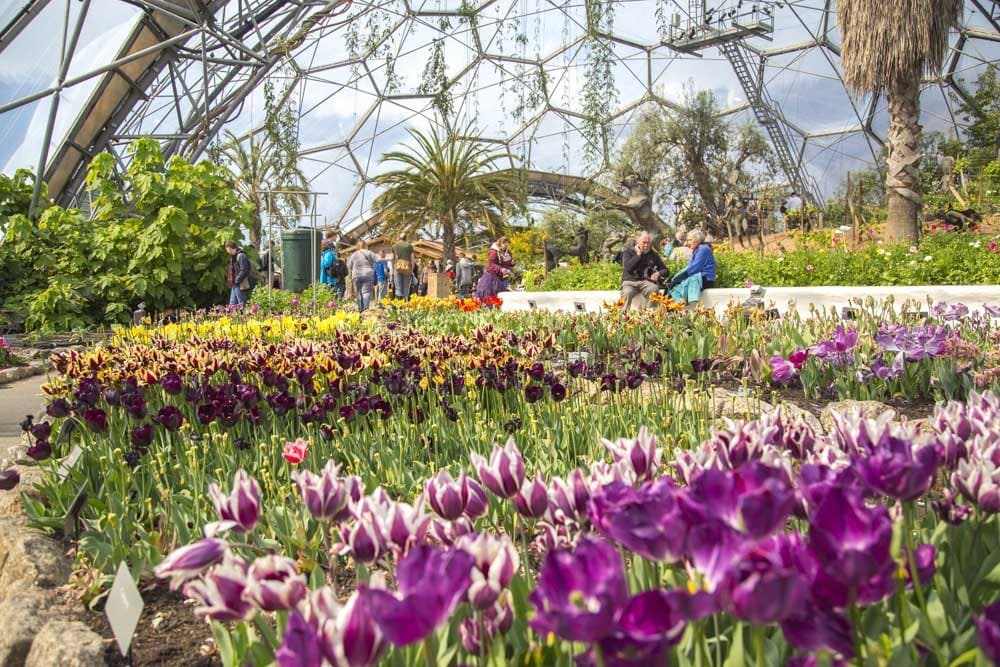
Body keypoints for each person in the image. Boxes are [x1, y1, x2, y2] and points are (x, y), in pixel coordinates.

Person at [666, 228, 717, 303]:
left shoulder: (704, 249)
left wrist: (677, 278)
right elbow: (690, 268)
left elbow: (694, 269)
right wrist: (675, 277)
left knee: (677, 287)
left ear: (697, 240)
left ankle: (676, 308)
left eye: (690, 240)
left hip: (706, 279)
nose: (687, 242)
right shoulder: (698, 250)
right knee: (673, 286)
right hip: (701, 278)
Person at [620, 231, 667, 310]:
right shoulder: (628, 252)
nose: (646, 245)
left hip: (646, 283)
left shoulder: (653, 254)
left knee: (654, 289)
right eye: (644, 242)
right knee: (627, 293)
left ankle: (649, 315)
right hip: (630, 282)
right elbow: (628, 268)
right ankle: (623, 317)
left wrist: (658, 273)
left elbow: (665, 270)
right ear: (638, 242)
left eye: (648, 243)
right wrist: (638, 255)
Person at [475, 236, 514, 300]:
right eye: (505, 245)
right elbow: (491, 264)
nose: (506, 247)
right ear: (500, 243)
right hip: (491, 277)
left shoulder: (508, 253)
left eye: (507, 245)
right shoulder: (493, 252)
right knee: (489, 294)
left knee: (502, 295)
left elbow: (507, 263)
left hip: (503, 277)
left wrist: (511, 265)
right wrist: (501, 269)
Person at [347, 240, 378, 312]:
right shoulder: (368, 253)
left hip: (356, 275)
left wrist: (350, 277)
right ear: (365, 246)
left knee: (358, 293)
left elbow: (350, 267)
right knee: (366, 292)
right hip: (367, 274)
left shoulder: (353, 255)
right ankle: (366, 309)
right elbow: (373, 265)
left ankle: (360, 309)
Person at [225, 240, 254, 306]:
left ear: (229, 248)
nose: (227, 252)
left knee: (241, 304)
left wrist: (236, 280)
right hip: (235, 284)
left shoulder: (241, 255)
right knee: (232, 305)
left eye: (227, 249)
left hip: (240, 284)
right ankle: (232, 316)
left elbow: (244, 270)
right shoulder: (234, 256)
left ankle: (244, 316)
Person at [393, 236, 414, 301]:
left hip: (398, 268)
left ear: (399, 238)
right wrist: (412, 270)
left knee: (398, 288)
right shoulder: (410, 246)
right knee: (406, 288)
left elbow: (394, 258)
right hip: (407, 268)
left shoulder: (395, 246)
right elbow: (412, 259)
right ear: (406, 238)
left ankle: (399, 305)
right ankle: (405, 305)